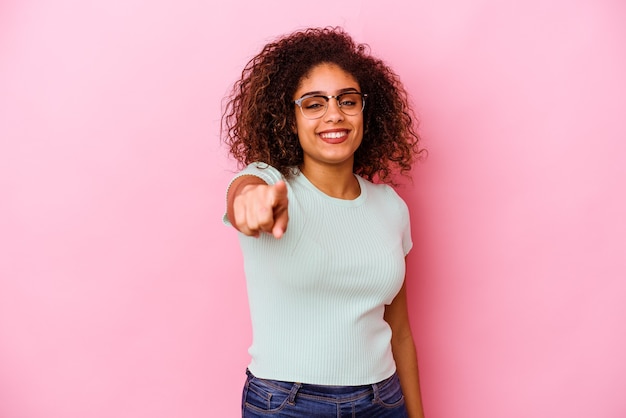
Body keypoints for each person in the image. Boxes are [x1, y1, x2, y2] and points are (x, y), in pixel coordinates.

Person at [222, 26, 426, 417]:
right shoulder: (270, 183)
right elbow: (243, 191)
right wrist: (249, 201)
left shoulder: (391, 206)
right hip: (288, 404)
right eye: (314, 103)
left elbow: (399, 331)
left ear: (366, 111)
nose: (335, 114)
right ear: (289, 117)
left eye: (348, 101)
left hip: (383, 401)